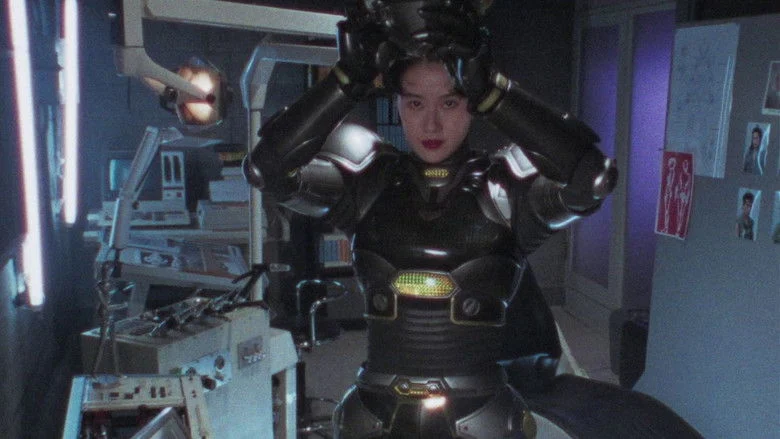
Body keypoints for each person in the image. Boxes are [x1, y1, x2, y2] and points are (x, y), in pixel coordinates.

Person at [244, 1, 616, 437]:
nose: (432, 123)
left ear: (471, 104)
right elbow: (267, 170)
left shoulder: (505, 189)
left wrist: (495, 92)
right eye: (416, 103)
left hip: (480, 416)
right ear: (398, 104)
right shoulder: (367, 181)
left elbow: (592, 179)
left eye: (451, 102)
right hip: (376, 411)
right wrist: (346, 80)